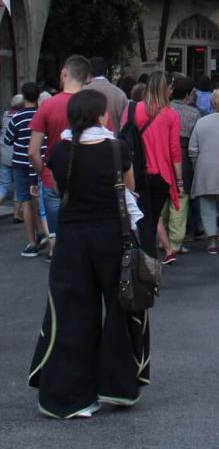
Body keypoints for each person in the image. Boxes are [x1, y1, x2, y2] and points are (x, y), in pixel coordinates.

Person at [29, 89, 149, 418]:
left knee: (72, 313)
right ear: (100, 115)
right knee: (119, 307)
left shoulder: (60, 150)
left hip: (71, 240)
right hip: (112, 237)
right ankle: (118, 386)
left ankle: (71, 397)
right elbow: (128, 187)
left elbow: (58, 188)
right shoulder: (116, 148)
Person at [29, 55, 92, 255]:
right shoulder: (94, 106)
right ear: (86, 77)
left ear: (64, 73)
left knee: (57, 235)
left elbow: (33, 150)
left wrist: (43, 173)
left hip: (53, 177)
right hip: (85, 177)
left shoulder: (47, 105)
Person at [133, 71, 182, 262]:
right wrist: (179, 180)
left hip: (138, 172)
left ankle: (146, 261)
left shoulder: (134, 109)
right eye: (170, 88)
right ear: (165, 89)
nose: (171, 92)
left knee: (143, 220)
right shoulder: (171, 115)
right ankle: (148, 263)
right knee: (152, 220)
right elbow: (174, 150)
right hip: (162, 174)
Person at [189, 88, 219, 255]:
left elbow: (192, 149)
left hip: (205, 168)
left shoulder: (201, 122)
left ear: (211, 104)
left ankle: (211, 241)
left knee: (206, 203)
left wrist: (196, 165)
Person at [4, 84, 48, 257]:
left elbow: (8, 140)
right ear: (38, 96)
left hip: (21, 163)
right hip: (40, 161)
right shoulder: (42, 115)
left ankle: (31, 242)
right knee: (42, 200)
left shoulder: (17, 117)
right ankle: (45, 233)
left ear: (23, 97)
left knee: (26, 201)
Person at [162, 76, 201, 256]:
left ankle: (161, 237)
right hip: (183, 155)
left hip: (163, 153)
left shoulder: (164, 108)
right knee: (180, 197)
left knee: (162, 196)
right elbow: (195, 140)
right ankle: (176, 240)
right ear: (188, 94)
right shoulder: (194, 114)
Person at [85, 56, 128, 131]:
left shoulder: (81, 93)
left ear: (89, 73)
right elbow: (125, 123)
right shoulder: (119, 94)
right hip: (114, 139)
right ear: (107, 72)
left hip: (87, 140)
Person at [0, 94, 22, 220]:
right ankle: (16, 214)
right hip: (16, 155)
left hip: (4, 153)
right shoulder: (20, 117)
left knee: (3, 184)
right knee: (18, 186)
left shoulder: (5, 115)